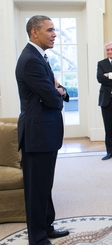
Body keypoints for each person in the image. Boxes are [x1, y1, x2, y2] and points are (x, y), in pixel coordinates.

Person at [15, 15, 70, 245]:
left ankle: (46, 227)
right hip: (37, 135)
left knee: (44, 184)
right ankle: (37, 238)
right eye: (49, 30)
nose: (54, 34)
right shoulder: (30, 60)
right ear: (34, 32)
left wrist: (57, 92)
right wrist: (55, 94)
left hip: (45, 133)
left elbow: (58, 90)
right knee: (36, 188)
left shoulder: (40, 57)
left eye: (54, 30)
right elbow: (53, 98)